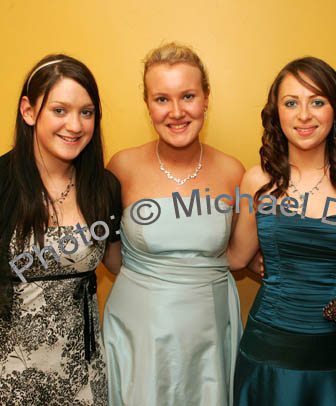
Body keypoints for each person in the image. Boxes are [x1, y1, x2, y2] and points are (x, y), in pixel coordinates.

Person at [0, 55, 122, 406]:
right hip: (3, 381)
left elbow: (123, 264)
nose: (74, 125)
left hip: (82, 380)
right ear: (28, 111)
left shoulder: (103, 188)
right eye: (60, 110)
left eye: (86, 112)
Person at [102, 42, 244, 406]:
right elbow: (109, 253)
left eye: (188, 96)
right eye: (162, 99)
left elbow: (241, 256)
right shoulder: (121, 168)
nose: (177, 112)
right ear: (147, 104)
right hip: (139, 332)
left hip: (209, 332)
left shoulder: (233, 172)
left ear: (206, 98)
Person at [227, 57, 336, 406]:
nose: (304, 115)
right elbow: (236, 257)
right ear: (277, 113)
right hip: (268, 351)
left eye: (317, 101)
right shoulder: (257, 180)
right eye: (291, 103)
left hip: (334, 352)